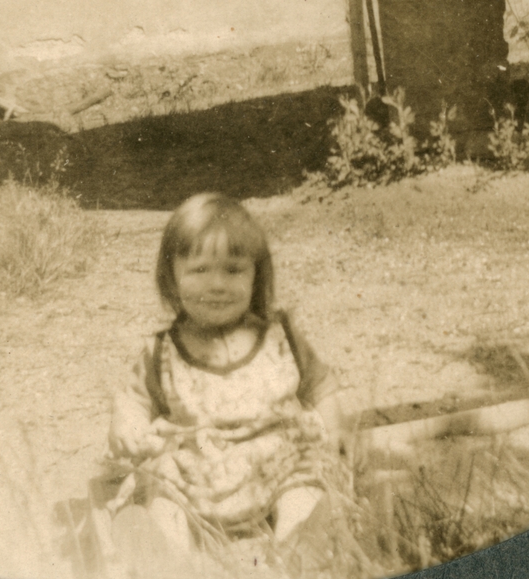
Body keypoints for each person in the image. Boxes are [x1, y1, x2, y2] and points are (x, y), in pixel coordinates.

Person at [106, 192, 350, 552]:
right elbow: (134, 399)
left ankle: (300, 542)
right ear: (172, 279)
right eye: (199, 270)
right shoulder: (163, 350)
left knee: (303, 486)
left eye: (233, 270)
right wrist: (127, 422)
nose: (217, 285)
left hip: (275, 464)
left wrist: (336, 430)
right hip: (196, 469)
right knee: (164, 493)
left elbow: (320, 385)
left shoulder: (279, 337)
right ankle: (166, 552)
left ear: (255, 276)